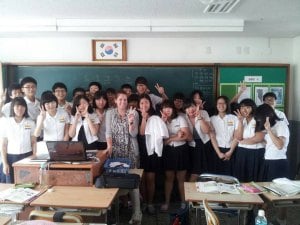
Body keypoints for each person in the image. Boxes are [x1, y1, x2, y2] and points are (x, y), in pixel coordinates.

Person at [104, 90, 141, 224]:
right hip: (115, 152)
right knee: (115, 180)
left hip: (130, 150)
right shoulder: (110, 113)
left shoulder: (134, 112)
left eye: (125, 100)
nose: (123, 102)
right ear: (115, 100)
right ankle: (112, 213)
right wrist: (109, 147)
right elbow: (108, 132)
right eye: (120, 99)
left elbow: (134, 134)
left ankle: (137, 213)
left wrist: (131, 122)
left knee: (133, 180)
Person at [255, 103, 290, 225]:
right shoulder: (271, 126)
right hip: (267, 162)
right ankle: (261, 218)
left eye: (260, 117)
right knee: (264, 193)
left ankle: (281, 220)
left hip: (279, 163)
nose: (259, 120)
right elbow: (269, 143)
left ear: (267, 115)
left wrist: (269, 130)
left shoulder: (281, 125)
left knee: (281, 195)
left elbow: (280, 145)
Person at [138, 94, 169, 214]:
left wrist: (163, 121)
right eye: (141, 103)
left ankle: (150, 203)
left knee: (150, 179)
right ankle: (143, 202)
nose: (144, 105)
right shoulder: (136, 115)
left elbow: (162, 132)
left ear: (150, 104)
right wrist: (144, 118)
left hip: (152, 151)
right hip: (140, 151)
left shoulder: (155, 117)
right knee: (141, 179)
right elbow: (141, 133)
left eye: (146, 102)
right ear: (138, 105)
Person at [160, 100, 191, 211]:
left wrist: (171, 138)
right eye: (164, 108)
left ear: (173, 109)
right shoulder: (160, 121)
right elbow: (160, 141)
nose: (167, 110)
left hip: (181, 150)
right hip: (168, 151)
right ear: (161, 110)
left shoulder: (180, 118)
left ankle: (184, 203)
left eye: (169, 108)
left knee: (181, 178)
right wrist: (177, 135)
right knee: (169, 178)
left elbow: (187, 136)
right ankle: (167, 202)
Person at [1, 97, 36, 183]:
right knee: (11, 183)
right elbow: (3, 145)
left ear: (25, 108)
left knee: (27, 182)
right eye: (17, 106)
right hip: (11, 157)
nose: (20, 108)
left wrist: (35, 156)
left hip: (27, 156)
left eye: (22, 106)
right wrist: (5, 163)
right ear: (13, 108)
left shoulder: (30, 123)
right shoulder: (5, 122)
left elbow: (33, 142)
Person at [234, 98, 265, 182]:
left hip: (256, 152)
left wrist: (243, 142)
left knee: (254, 177)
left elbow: (258, 138)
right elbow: (238, 137)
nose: (244, 110)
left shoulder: (259, 119)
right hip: (242, 152)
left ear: (253, 108)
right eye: (242, 107)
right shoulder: (240, 119)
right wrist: (240, 122)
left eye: (247, 107)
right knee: (241, 177)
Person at [209, 96, 239, 176]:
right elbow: (212, 137)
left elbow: (236, 136)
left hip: (232, 150)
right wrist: (219, 153)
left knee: (230, 176)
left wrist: (230, 151)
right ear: (216, 105)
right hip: (217, 150)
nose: (221, 105)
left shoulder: (234, 118)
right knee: (217, 176)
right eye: (219, 103)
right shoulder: (211, 119)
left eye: (224, 103)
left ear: (227, 105)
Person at [183, 99, 211, 180]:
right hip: (191, 145)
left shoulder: (203, 113)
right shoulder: (183, 117)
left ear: (196, 106)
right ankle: (190, 190)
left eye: (192, 106)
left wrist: (199, 117)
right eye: (187, 108)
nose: (190, 109)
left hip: (204, 144)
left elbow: (207, 131)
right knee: (192, 171)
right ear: (185, 110)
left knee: (201, 172)